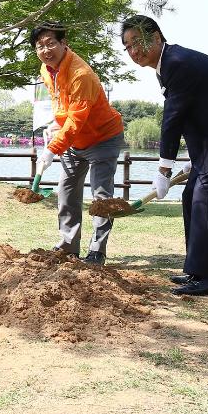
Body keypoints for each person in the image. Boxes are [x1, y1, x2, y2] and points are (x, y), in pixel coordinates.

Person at [120, 15, 208, 296]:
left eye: (138, 41)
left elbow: (173, 118)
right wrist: (196, 157)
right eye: (127, 46)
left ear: (157, 37)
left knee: (205, 196)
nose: (134, 51)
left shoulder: (177, 62)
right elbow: (192, 114)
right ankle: (199, 269)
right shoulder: (166, 66)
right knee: (191, 196)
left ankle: (207, 279)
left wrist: (163, 169)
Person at [33, 22, 125, 266]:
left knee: (101, 197)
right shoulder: (46, 70)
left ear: (64, 44)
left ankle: (97, 251)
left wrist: (53, 149)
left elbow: (76, 120)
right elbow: (61, 106)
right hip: (74, 141)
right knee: (67, 191)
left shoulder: (81, 75)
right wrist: (54, 123)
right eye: (40, 46)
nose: (45, 50)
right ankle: (68, 245)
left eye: (51, 43)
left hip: (102, 137)